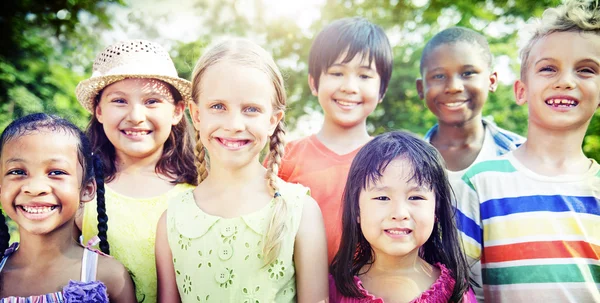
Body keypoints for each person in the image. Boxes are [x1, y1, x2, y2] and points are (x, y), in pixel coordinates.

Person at [155, 39, 328, 303]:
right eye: (218, 107)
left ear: (272, 121)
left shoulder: (301, 211)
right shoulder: (172, 220)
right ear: (196, 115)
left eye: (251, 109)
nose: (235, 124)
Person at [457, 0, 600, 301]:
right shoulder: (481, 183)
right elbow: (459, 287)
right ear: (521, 90)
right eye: (548, 68)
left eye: (586, 70)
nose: (565, 81)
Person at [75, 39, 197, 303]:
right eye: (119, 101)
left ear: (177, 111)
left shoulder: (199, 192)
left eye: (152, 101)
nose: (136, 116)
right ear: (99, 111)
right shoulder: (81, 192)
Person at [415, 26, 525, 300]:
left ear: (491, 80)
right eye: (439, 76)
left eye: (467, 73)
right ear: (421, 87)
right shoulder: (405, 165)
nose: (453, 86)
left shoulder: (522, 155)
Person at [277, 17, 393, 263]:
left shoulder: (392, 162)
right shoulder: (285, 158)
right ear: (314, 82)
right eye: (337, 72)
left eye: (364, 76)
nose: (349, 87)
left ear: (382, 89)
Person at [0, 113, 136, 302]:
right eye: (17, 172)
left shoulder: (108, 276)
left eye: (56, 172)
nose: (35, 188)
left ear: (87, 190)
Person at [329, 131, 476, 302]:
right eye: (382, 198)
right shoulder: (332, 290)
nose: (399, 214)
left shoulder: (456, 292)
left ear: (436, 209)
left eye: (415, 197)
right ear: (356, 210)